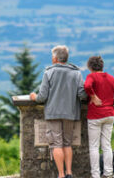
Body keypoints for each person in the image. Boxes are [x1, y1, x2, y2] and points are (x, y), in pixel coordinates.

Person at [30, 45, 87, 178]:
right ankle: (69, 173)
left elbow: (42, 97)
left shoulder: (48, 73)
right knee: (67, 143)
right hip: (71, 112)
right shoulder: (76, 73)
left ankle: (61, 175)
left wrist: (34, 97)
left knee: (56, 144)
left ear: (55, 59)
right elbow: (82, 95)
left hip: (53, 113)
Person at [84, 56, 114, 178]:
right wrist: (112, 102)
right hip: (109, 115)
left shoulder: (91, 76)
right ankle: (108, 173)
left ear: (90, 67)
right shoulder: (112, 78)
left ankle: (95, 174)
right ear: (102, 66)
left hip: (95, 115)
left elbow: (86, 86)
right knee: (106, 145)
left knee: (94, 146)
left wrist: (93, 96)